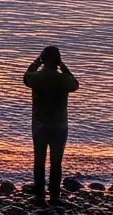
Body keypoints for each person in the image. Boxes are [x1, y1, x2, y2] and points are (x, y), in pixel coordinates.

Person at [22, 44, 78, 203]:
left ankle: (39, 195)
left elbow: (26, 78)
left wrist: (36, 62)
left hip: (39, 126)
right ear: (57, 60)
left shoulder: (36, 78)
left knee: (39, 160)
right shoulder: (63, 79)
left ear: (43, 59)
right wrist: (63, 66)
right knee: (56, 162)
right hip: (59, 126)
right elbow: (75, 84)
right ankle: (54, 194)